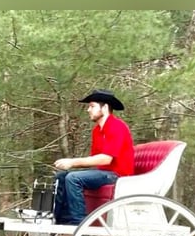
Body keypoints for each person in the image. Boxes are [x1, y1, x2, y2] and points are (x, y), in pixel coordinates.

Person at [51, 89, 134, 225]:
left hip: (117, 175)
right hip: (103, 173)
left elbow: (106, 159)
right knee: (61, 177)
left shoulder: (117, 127)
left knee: (73, 178)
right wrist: (70, 165)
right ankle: (62, 221)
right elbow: (94, 159)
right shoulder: (97, 131)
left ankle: (78, 224)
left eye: (92, 106)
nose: (88, 110)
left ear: (105, 107)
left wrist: (72, 162)